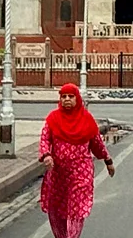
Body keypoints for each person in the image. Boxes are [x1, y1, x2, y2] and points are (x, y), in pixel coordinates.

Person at [39, 84, 114, 238]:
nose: (67, 99)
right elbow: (45, 138)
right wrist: (46, 155)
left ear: (77, 98)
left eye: (70, 96)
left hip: (81, 172)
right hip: (58, 174)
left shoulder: (87, 119)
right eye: (63, 96)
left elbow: (97, 143)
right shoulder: (53, 119)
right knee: (57, 209)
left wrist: (108, 160)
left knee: (76, 209)